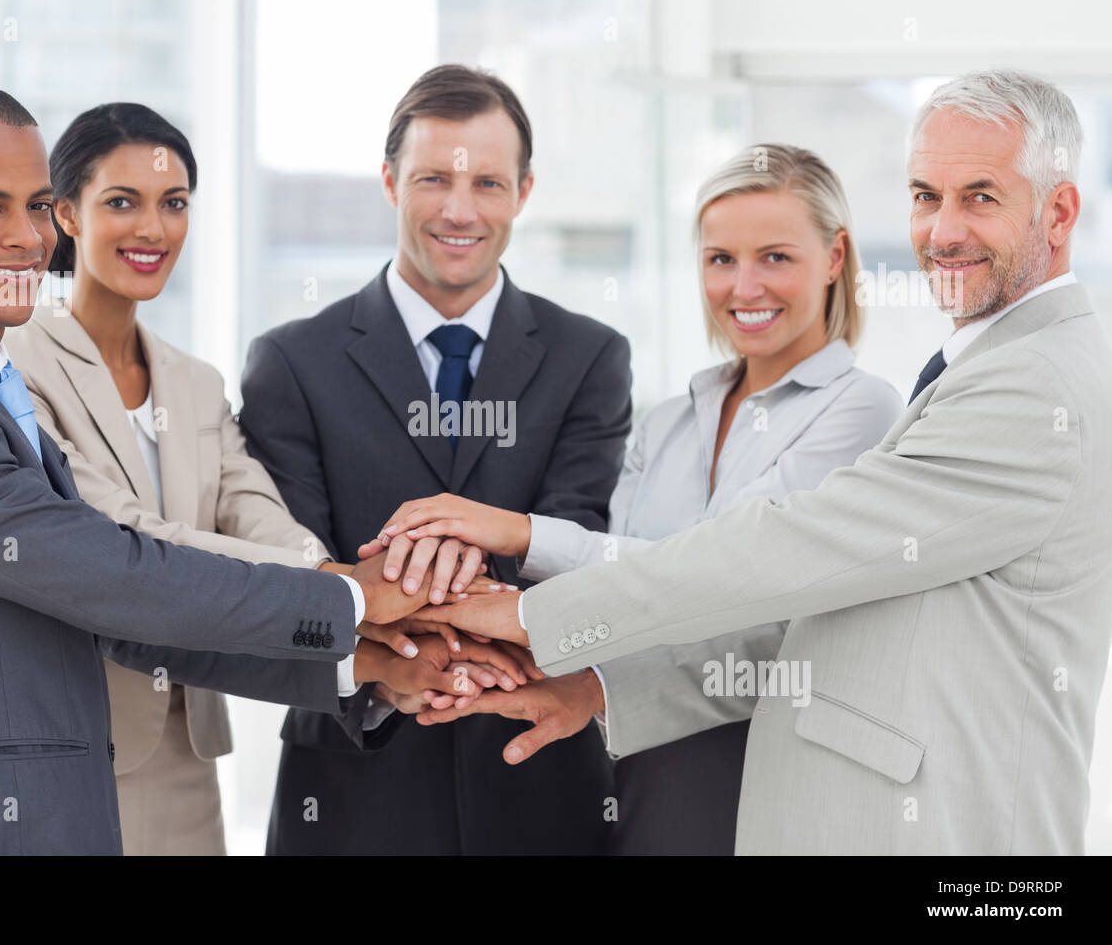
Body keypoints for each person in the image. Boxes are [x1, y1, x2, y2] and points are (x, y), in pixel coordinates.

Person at [409, 69, 1112, 855]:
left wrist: (533, 611)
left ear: (1058, 213)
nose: (943, 230)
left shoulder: (1030, 383)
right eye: (924, 195)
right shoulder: (989, 365)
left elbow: (785, 550)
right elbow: (810, 614)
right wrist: (599, 686)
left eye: (980, 196)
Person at [0, 83, 498, 855]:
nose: (24, 238)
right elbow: (121, 574)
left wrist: (364, 667)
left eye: (33, 206)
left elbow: (119, 614)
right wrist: (345, 598)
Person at [4, 103, 530, 855]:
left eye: (173, 203)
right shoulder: (20, 364)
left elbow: (257, 515)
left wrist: (365, 612)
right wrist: (351, 593)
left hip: (186, 758)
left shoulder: (193, 382)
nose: (152, 229)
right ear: (66, 216)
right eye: (122, 202)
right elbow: (120, 536)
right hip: (71, 746)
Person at [362, 144, 903, 853]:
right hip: (643, 775)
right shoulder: (669, 422)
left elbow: (736, 581)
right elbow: (614, 594)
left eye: (775, 257)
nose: (745, 287)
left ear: (835, 258)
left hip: (770, 776)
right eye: (720, 259)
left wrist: (521, 532)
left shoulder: (862, 409)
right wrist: (452, 610)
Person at [240, 64, 633, 854]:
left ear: (523, 191)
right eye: (433, 180)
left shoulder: (590, 356)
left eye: (488, 182)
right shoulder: (291, 362)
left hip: (541, 781)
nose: (460, 211)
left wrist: (435, 618)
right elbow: (297, 575)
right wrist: (390, 664)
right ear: (389, 181)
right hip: (352, 790)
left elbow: (574, 545)